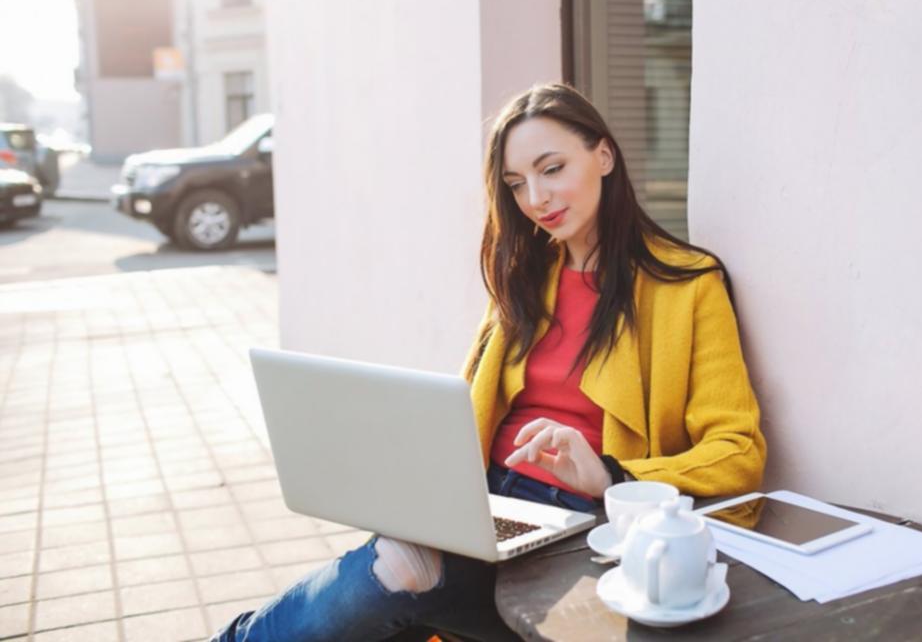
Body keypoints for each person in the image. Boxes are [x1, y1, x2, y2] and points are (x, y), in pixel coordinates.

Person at [211, 83, 766, 641]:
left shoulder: (688, 285)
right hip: (484, 506)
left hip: (582, 524)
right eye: (516, 184)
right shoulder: (523, 278)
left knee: (396, 573)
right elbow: (465, 411)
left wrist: (610, 474)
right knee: (393, 568)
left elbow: (737, 451)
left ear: (604, 155)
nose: (536, 199)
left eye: (552, 169)